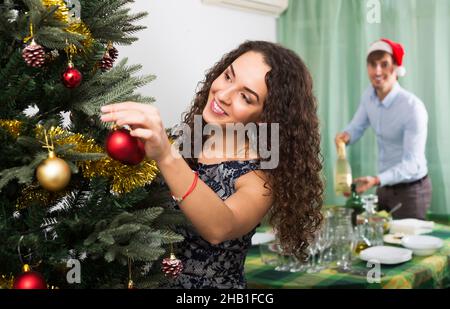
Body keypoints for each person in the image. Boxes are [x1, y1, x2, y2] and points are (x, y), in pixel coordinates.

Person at [101, 41, 323, 288]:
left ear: (265, 117)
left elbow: (220, 227)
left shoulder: (260, 176)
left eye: (245, 97)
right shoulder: (182, 140)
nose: (224, 95)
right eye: (228, 77)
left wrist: (166, 155)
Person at [335, 38, 431, 220]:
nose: (377, 71)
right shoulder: (368, 97)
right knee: (381, 239)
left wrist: (377, 180)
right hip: (383, 187)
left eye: (384, 64)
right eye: (372, 64)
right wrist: (344, 137)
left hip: (411, 191)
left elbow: (413, 163)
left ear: (395, 67)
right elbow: (357, 126)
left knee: (406, 243)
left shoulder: (412, 108)